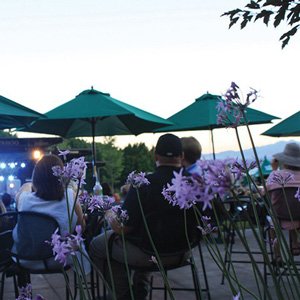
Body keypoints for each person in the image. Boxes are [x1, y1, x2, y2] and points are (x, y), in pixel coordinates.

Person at [89, 133, 200, 300]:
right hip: (184, 251)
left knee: (98, 245)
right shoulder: (196, 183)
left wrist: (109, 213)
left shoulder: (144, 184)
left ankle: (124, 295)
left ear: (155, 155)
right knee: (145, 236)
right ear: (182, 156)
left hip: (149, 254)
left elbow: (122, 228)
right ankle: (139, 291)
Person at [12, 154, 89, 273]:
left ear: (36, 177)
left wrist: (30, 185)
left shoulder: (24, 199)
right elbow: (81, 227)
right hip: (57, 260)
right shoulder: (70, 196)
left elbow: (23, 189)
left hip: (24, 259)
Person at [267, 142, 300, 259]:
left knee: (275, 213)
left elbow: (263, 193)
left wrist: (273, 169)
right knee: (294, 205)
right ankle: (295, 245)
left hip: (279, 219)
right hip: (299, 219)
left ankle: (277, 255)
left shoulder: (275, 175)